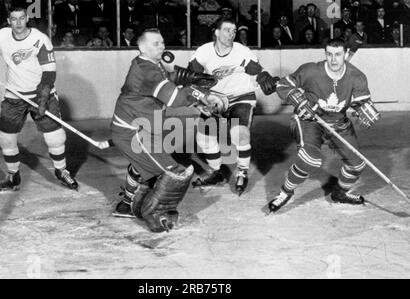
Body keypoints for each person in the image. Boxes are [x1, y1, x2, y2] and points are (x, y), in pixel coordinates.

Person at [110, 28, 227, 232]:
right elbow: (175, 98)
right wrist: (199, 93)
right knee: (175, 174)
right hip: (133, 132)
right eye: (156, 43)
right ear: (142, 47)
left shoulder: (150, 64)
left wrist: (195, 92)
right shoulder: (148, 70)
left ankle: (126, 205)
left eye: (162, 42)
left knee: (141, 166)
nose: (162, 46)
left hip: (140, 127)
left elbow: (171, 79)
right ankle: (156, 214)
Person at [268, 38, 380, 213]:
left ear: (346, 55)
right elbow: (283, 84)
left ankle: (340, 193)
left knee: (357, 165)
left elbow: (360, 101)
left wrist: (362, 107)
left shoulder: (357, 76)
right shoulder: (311, 70)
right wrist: (297, 99)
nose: (333, 60)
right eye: (329, 54)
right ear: (325, 54)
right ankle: (285, 192)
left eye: (338, 55)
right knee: (310, 159)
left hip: (338, 123)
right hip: (309, 120)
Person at [0, 5, 79, 192]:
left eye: (21, 18)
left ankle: (61, 170)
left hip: (42, 93)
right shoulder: (1, 36)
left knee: (55, 137)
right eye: (14, 19)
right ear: (8, 21)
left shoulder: (40, 39)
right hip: (14, 95)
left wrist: (43, 95)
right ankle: (13, 176)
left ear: (27, 18)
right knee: (5, 138)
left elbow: (49, 71)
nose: (18, 23)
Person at [188, 18, 279, 196]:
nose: (231, 34)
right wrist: (201, 102)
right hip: (215, 99)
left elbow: (257, 71)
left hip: (241, 97)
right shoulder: (203, 52)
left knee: (240, 133)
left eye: (234, 31)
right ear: (216, 32)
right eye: (227, 30)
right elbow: (191, 81)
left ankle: (242, 171)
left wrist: (264, 77)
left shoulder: (241, 51)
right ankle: (217, 173)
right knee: (204, 138)